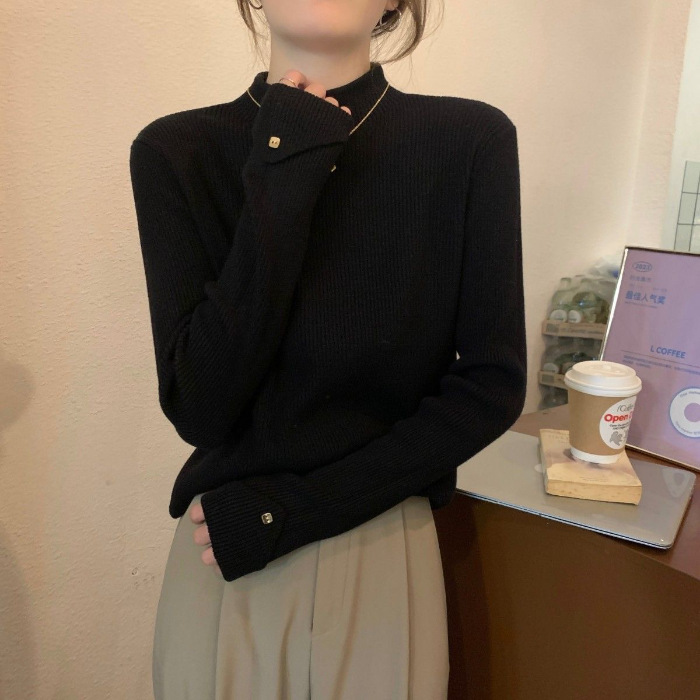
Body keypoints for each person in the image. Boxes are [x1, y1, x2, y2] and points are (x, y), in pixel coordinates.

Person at [129, 0, 527, 697]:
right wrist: (285, 162)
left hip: (381, 544)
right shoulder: (177, 150)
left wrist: (295, 509)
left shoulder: (468, 141)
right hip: (226, 560)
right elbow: (200, 405)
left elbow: (491, 384)